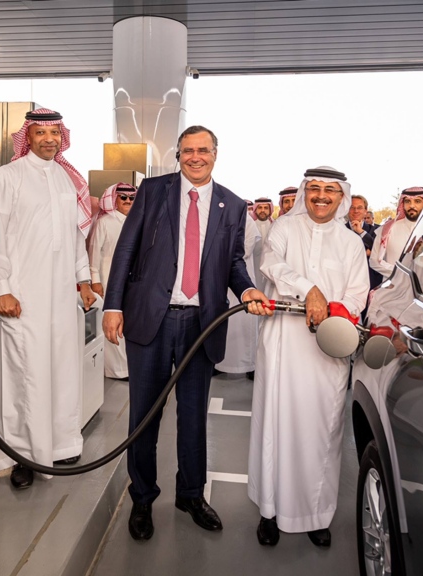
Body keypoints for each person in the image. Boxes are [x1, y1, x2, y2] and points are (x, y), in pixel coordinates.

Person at [103, 125, 270, 541]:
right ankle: (143, 498)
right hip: (151, 320)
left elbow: (233, 262)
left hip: (201, 323)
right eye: (188, 150)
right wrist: (113, 305)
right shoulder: (154, 190)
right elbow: (126, 249)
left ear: (216, 154)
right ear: (178, 155)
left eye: (203, 150)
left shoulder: (233, 205)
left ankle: (191, 495)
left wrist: (247, 288)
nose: (196, 157)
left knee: (194, 416)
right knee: (145, 416)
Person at [248, 166, 370, 548]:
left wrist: (336, 310)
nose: (321, 196)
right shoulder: (285, 227)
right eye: (314, 188)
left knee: (321, 432)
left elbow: (357, 295)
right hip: (283, 344)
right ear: (305, 192)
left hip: (327, 350)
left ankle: (316, 515)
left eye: (330, 190)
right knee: (275, 425)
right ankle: (269, 511)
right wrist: (309, 289)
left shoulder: (351, 243)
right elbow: (272, 264)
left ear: (341, 197)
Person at [0, 108, 97, 490]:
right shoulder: (8, 176)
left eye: (55, 133)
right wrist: (3, 288)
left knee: (61, 369)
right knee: (25, 374)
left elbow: (75, 237)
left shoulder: (67, 180)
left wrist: (84, 281)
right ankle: (22, 456)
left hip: (61, 296)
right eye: (40, 133)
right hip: (22, 296)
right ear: (28, 137)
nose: (49, 139)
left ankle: (62, 444)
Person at [89, 182, 136, 378]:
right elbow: (94, 252)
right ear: (114, 199)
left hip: (132, 283)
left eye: (131, 198)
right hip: (108, 280)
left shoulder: (138, 221)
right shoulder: (104, 222)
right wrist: (95, 280)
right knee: (112, 323)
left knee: (129, 324)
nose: (127, 201)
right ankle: (116, 370)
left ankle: (128, 367)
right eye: (123, 197)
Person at [216, 200, 263, 380]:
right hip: (220, 280)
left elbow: (245, 249)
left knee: (245, 324)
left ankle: (250, 365)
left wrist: (223, 255)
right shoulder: (220, 218)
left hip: (241, 280)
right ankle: (220, 364)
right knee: (222, 323)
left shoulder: (247, 222)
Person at [370, 186, 423, 279]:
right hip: (394, 285)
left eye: (417, 201)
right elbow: (374, 261)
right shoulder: (387, 229)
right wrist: (403, 273)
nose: (412, 206)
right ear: (403, 204)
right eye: (407, 201)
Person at [346, 194, 382, 291]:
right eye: (352, 207)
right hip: (346, 282)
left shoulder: (377, 230)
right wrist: (365, 252)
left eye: (359, 208)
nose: (356, 211)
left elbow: (378, 250)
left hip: (370, 282)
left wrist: (361, 232)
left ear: (365, 210)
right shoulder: (339, 230)